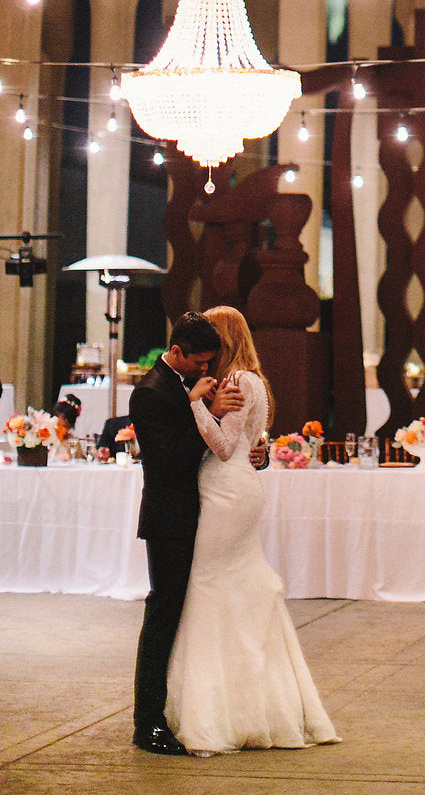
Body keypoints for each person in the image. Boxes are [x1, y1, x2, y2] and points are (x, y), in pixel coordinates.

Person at [165, 305, 338, 756]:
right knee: (238, 591)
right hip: (240, 487)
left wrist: (193, 408)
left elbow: (223, 447)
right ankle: (258, 702)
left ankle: (217, 710)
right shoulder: (254, 379)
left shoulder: (238, 381)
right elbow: (253, 442)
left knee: (209, 587)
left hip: (226, 491)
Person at [130, 311, 244, 756]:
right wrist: (207, 413)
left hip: (201, 513)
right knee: (163, 615)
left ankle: (183, 709)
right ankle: (148, 722)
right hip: (169, 518)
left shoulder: (186, 385)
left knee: (190, 615)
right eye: (198, 361)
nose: (205, 369)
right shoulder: (149, 393)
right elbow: (172, 459)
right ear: (176, 352)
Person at [50, 393, 82, 459]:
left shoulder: (73, 442)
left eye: (68, 418)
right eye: (63, 417)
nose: (65, 421)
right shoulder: (47, 434)